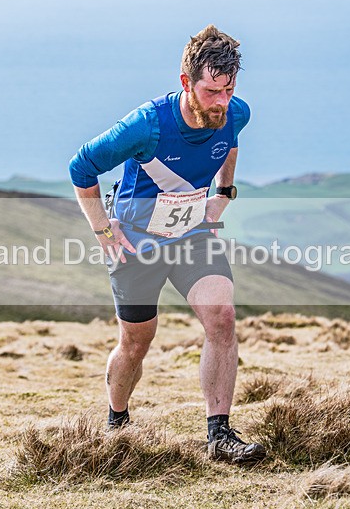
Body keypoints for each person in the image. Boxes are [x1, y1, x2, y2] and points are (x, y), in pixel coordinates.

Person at [68, 25, 265, 463]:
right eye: (212, 91)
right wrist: (103, 229)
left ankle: (219, 435)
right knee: (136, 343)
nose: (223, 101)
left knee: (222, 318)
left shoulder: (235, 112)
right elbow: (81, 167)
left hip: (192, 235)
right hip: (136, 243)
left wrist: (223, 195)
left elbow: (230, 141)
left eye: (230, 89)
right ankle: (117, 422)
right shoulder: (146, 125)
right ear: (185, 83)